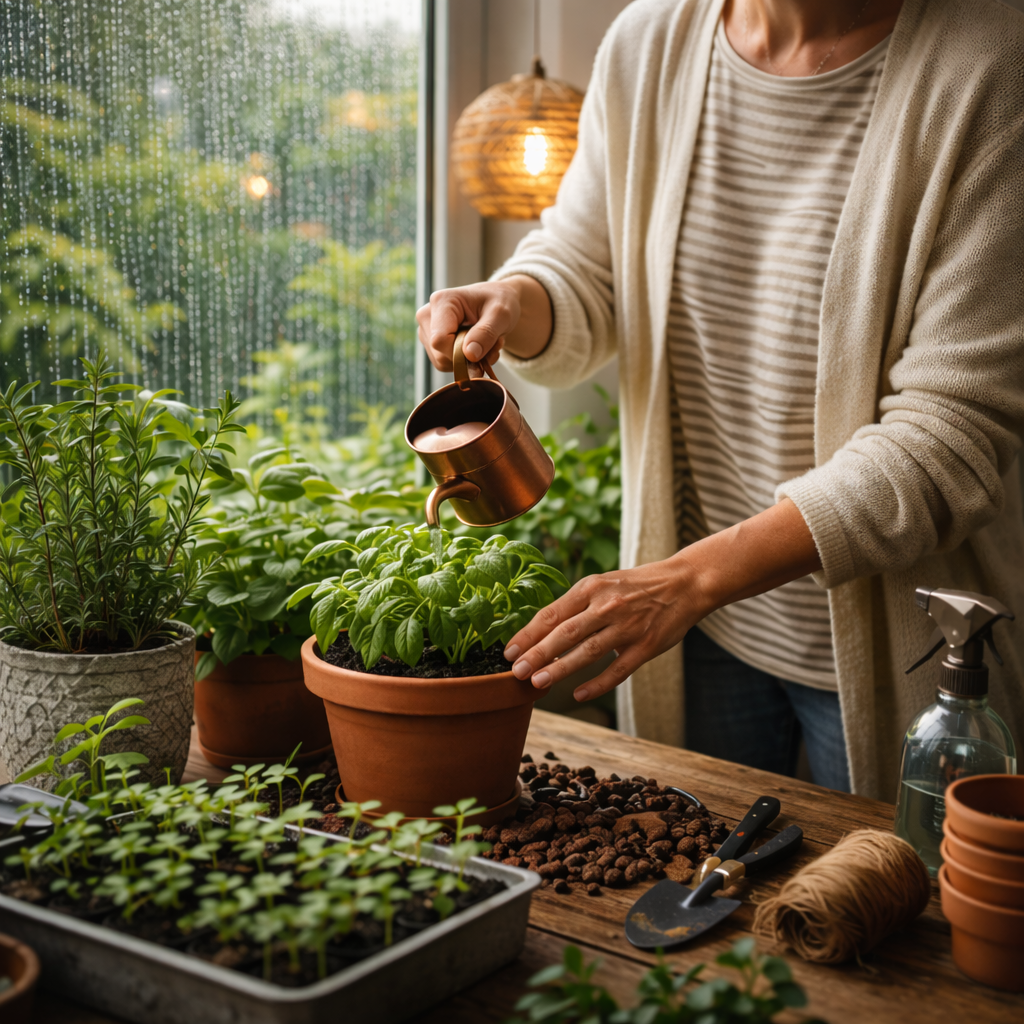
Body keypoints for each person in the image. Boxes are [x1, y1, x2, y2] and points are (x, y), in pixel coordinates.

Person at [416, 0, 1024, 800]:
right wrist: (516, 297)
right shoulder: (650, 41)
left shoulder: (995, 61)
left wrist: (688, 581)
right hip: (698, 634)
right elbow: (587, 260)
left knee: (886, 909)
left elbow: (949, 439)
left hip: (899, 649)